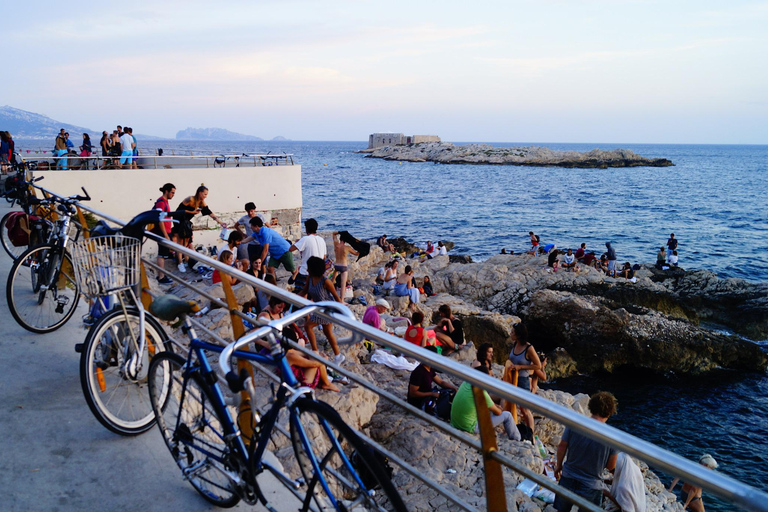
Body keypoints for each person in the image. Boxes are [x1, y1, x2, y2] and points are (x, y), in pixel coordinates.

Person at [554, 391, 619, 511]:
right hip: (592, 485)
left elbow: (562, 446)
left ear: (591, 407)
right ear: (610, 412)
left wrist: (558, 466)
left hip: (568, 477)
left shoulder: (575, 423)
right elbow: (610, 466)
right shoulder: (612, 437)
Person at [258, 297, 339, 392]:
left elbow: (306, 354)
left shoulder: (289, 351)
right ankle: (327, 383)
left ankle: (326, 382)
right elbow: (313, 364)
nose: (281, 310)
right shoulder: (290, 355)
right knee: (317, 363)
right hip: (300, 383)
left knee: (315, 356)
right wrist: (324, 359)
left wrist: (317, 355)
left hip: (295, 371)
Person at [450, 366, 521, 441]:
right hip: (470, 427)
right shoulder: (480, 392)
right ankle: (517, 440)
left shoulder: (466, 382)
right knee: (507, 415)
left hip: (455, 423)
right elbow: (498, 412)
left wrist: (494, 406)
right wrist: (498, 408)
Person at [299, 256, 345, 364]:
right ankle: (338, 355)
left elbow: (336, 297)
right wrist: (290, 298)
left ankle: (315, 352)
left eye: (309, 267)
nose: (307, 269)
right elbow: (304, 291)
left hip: (327, 309)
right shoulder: (310, 278)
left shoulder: (326, 281)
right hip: (319, 308)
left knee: (307, 326)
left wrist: (342, 312)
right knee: (327, 332)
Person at [172, 184, 227, 272]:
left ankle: (187, 261)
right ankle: (179, 263)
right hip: (179, 220)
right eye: (205, 194)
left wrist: (220, 222)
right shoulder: (190, 199)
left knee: (188, 241)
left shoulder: (201, 202)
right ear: (200, 193)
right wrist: (192, 212)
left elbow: (209, 212)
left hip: (186, 221)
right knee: (181, 242)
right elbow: (179, 211)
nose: (206, 196)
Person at [503, 322, 541, 435]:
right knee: (509, 405)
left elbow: (538, 365)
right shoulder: (515, 344)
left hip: (522, 380)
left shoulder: (529, 348)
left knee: (524, 409)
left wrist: (520, 367)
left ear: (519, 335)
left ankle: (531, 434)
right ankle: (509, 429)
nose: (510, 333)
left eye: (513, 332)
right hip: (511, 379)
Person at [407, 346, 457, 411]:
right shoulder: (419, 372)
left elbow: (441, 382)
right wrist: (431, 394)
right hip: (419, 402)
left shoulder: (429, 369)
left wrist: (454, 388)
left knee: (448, 393)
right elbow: (413, 393)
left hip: (428, 395)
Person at [289, 218, 325, 290]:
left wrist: (297, 242)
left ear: (306, 228)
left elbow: (291, 249)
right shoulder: (322, 240)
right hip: (318, 273)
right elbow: (324, 257)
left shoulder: (305, 239)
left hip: (306, 272)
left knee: (300, 292)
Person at [153, 183, 175, 285]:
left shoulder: (165, 202)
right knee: (161, 255)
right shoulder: (161, 202)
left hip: (167, 231)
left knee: (165, 254)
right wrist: (165, 235)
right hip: (163, 232)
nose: (173, 194)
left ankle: (162, 274)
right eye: (172, 192)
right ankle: (161, 277)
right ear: (166, 191)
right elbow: (160, 219)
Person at [333, 231, 358, 301]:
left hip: (336, 265)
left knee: (332, 281)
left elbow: (333, 233)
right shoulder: (347, 248)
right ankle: (341, 300)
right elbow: (356, 253)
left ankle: (330, 293)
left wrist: (340, 232)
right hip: (343, 266)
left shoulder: (336, 245)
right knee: (343, 284)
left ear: (340, 239)